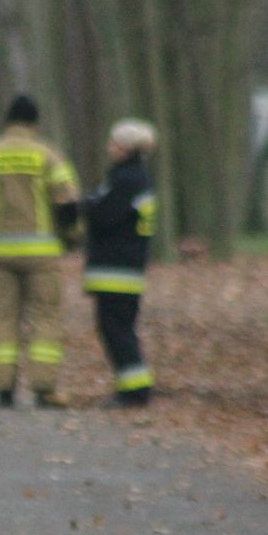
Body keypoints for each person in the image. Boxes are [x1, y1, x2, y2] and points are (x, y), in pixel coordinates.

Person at [0, 94, 80, 409]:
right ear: (35, 123)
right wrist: (71, 237)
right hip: (43, 253)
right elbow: (68, 204)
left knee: (4, 317)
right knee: (46, 317)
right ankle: (43, 387)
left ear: (7, 121)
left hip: (2, 252)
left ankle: (4, 387)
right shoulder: (47, 155)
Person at [83, 118, 159, 407]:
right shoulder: (135, 178)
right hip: (127, 266)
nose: (108, 148)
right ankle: (133, 385)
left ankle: (135, 390)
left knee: (116, 328)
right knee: (119, 328)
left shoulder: (126, 180)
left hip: (117, 267)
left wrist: (86, 206)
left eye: (113, 143)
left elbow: (103, 216)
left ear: (126, 147)